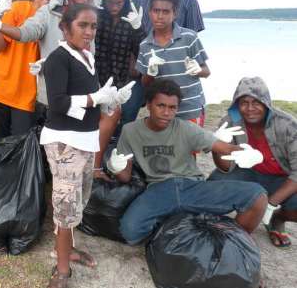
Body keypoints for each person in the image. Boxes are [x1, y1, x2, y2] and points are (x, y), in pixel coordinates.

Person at [0, 0, 125, 179]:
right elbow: (26, 32)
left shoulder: (90, 14)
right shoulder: (50, 12)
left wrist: (104, 98)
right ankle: (51, 195)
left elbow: (90, 59)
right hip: (57, 97)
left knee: (76, 154)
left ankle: (70, 187)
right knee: (59, 155)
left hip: (80, 96)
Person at [110, 79, 267, 245]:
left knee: (257, 196)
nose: (166, 113)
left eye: (172, 108)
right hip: (158, 190)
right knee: (130, 231)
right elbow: (125, 177)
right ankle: (183, 223)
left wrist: (252, 154)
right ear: (148, 104)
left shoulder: (186, 128)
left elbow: (224, 148)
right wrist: (116, 168)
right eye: (161, 105)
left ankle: (233, 241)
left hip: (192, 187)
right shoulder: (130, 131)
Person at [41, 3, 128, 288]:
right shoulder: (58, 59)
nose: (89, 31)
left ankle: (68, 249)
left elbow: (89, 100)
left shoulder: (87, 57)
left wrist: (110, 101)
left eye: (93, 26)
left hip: (85, 142)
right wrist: (95, 99)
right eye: (82, 25)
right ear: (64, 28)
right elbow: (58, 104)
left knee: (78, 201)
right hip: (65, 144)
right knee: (65, 208)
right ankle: (62, 270)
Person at [209, 77, 297, 247]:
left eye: (256, 102)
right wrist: (217, 146)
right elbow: (225, 168)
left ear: (266, 103)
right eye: (243, 102)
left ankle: (277, 217)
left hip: (281, 179)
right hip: (247, 173)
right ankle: (229, 220)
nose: (250, 109)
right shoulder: (229, 123)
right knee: (213, 185)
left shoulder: (287, 125)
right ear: (237, 104)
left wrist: (270, 203)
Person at [0, 0, 58, 139]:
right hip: (1, 88)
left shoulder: (57, 19)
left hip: (27, 96)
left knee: (21, 149)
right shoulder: (19, 8)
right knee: (0, 147)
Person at [136, 0, 210, 124]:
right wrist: (150, 72)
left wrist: (198, 69)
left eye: (165, 12)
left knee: (192, 145)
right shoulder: (145, 45)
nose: (160, 16)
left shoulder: (189, 37)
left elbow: (207, 72)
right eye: (156, 11)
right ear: (149, 12)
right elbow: (144, 83)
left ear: (175, 13)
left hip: (190, 109)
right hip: (162, 112)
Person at [95, 0, 145, 129]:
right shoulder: (95, 15)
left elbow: (142, 53)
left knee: (122, 125)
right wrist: (89, 9)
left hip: (122, 83)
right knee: (94, 124)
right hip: (94, 81)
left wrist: (138, 28)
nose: (114, 7)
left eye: (119, 2)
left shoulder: (131, 20)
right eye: (109, 2)